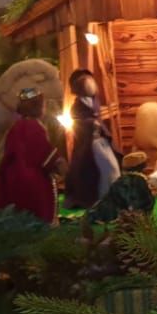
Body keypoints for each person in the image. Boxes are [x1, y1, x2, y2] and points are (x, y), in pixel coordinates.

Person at [0, 85, 59, 222]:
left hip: (13, 178)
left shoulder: (16, 126)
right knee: (35, 218)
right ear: (38, 106)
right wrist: (59, 163)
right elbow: (43, 154)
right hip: (33, 181)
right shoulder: (34, 127)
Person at [63, 69, 117, 209]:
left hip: (101, 141)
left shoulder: (94, 100)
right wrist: (91, 123)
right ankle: (99, 199)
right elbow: (78, 122)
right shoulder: (77, 106)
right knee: (94, 172)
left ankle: (109, 196)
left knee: (111, 168)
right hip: (89, 145)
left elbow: (97, 114)